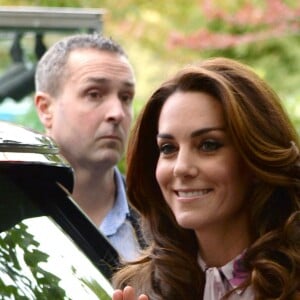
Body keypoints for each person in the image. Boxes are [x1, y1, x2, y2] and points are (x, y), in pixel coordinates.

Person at [112, 57, 300, 299]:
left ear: (255, 157)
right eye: (168, 148)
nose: (181, 168)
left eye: (208, 145)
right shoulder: (138, 286)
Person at [34, 33, 145, 262]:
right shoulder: (12, 213)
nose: (117, 112)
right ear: (46, 109)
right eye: (94, 94)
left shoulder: (164, 223)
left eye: (126, 97)